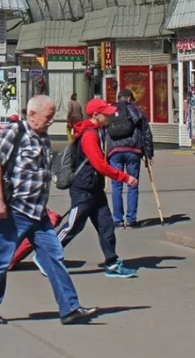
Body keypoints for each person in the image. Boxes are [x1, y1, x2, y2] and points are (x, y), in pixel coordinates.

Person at [0, 95, 97, 325]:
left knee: (54, 257)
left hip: (38, 212)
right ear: (32, 115)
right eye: (48, 117)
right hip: (15, 210)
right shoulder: (15, 131)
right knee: (2, 260)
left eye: (53, 117)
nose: (51, 121)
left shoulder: (42, 136)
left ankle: (70, 309)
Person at [54, 98, 139, 278]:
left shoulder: (97, 131)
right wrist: (124, 177)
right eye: (105, 113)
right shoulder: (89, 134)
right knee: (73, 225)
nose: (109, 116)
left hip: (94, 188)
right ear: (95, 115)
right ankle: (48, 255)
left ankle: (112, 262)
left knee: (106, 225)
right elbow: (99, 165)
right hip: (83, 188)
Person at [109, 88, 154, 228]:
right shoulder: (135, 111)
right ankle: (131, 219)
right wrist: (148, 154)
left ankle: (117, 219)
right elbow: (146, 132)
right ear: (128, 99)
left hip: (114, 152)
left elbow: (104, 132)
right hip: (133, 151)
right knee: (132, 184)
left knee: (116, 185)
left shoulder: (110, 111)